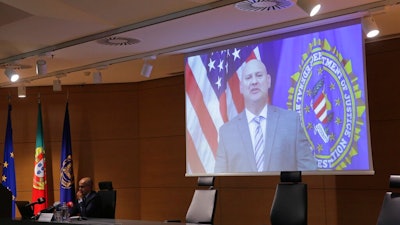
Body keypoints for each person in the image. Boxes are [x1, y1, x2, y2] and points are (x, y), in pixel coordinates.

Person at [214, 59, 317, 173]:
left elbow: (309, 174)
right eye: (248, 78)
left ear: (268, 81)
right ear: (241, 87)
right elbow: (220, 181)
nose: (254, 82)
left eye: (259, 75)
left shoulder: (292, 122)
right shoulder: (226, 132)